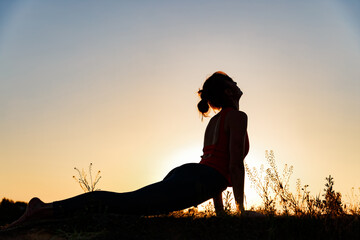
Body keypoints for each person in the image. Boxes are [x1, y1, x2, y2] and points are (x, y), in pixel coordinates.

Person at [5, 71, 249, 228]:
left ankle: (50, 213)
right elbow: (233, 165)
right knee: (127, 203)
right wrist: (241, 213)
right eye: (234, 82)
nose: (237, 84)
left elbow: (214, 168)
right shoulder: (237, 117)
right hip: (195, 179)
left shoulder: (215, 122)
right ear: (228, 91)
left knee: (131, 204)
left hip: (191, 174)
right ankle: (44, 209)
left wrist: (221, 215)